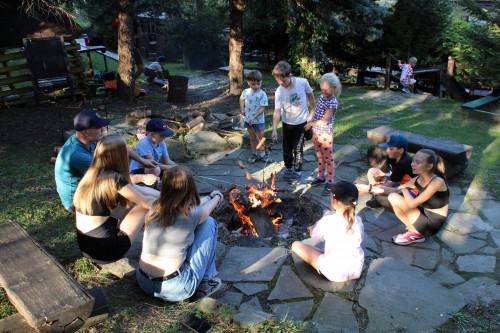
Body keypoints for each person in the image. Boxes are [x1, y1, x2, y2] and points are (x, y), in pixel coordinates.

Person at [136, 166, 223, 302]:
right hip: (175, 288)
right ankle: (206, 281)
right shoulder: (192, 214)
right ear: (190, 188)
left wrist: (209, 196)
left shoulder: (153, 207)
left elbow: (197, 204)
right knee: (209, 223)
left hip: (143, 281)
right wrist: (217, 197)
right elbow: (206, 209)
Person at [73, 134, 159, 263]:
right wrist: (173, 202)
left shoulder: (93, 173)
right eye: (126, 149)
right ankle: (160, 241)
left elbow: (137, 190)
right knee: (142, 205)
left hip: (87, 247)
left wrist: (165, 195)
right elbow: (146, 202)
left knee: (138, 195)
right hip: (106, 250)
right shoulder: (114, 179)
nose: (129, 151)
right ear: (119, 155)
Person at [55, 109, 158, 213]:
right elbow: (110, 179)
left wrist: (143, 161)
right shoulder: (77, 155)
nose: (103, 130)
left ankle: (161, 198)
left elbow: (123, 148)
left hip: (95, 184)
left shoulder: (87, 139)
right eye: (99, 127)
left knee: (133, 190)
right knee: (134, 200)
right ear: (85, 132)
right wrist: (142, 178)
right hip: (78, 201)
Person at [291, 180, 364, 282]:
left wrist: (313, 228)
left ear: (336, 201)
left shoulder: (328, 220)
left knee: (296, 245)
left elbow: (315, 237)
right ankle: (325, 255)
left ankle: (324, 259)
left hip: (335, 272)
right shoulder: (358, 220)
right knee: (335, 249)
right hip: (356, 268)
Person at [388, 149, 450, 245]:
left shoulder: (437, 182)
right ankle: (414, 231)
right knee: (392, 197)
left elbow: (412, 204)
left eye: (418, 162)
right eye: (413, 160)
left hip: (431, 225)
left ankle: (416, 233)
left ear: (430, 166)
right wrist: (370, 188)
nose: (412, 164)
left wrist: (404, 191)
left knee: (394, 197)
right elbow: (396, 189)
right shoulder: (418, 178)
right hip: (425, 213)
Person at [272, 61, 315, 184]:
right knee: (287, 147)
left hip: (301, 122)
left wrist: (312, 113)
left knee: (297, 148)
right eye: (279, 82)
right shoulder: (279, 91)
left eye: (283, 82)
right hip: (287, 124)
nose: (282, 84)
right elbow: (277, 111)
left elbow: (311, 98)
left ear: (290, 75)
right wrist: (274, 129)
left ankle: (297, 170)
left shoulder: (302, 83)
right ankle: (288, 168)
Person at [356, 134, 417, 210]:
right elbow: (379, 173)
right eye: (388, 148)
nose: (387, 150)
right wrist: (370, 186)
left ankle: (379, 199)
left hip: (407, 189)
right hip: (396, 182)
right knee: (371, 171)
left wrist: (370, 188)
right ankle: (377, 195)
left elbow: (390, 184)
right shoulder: (392, 156)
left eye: (391, 149)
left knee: (382, 196)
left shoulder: (403, 163)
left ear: (401, 150)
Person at [304, 73, 341, 196]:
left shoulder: (332, 103)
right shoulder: (321, 97)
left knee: (328, 158)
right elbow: (316, 110)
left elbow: (325, 121)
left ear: (334, 88)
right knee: (320, 157)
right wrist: (310, 117)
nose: (323, 92)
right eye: (322, 89)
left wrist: (311, 124)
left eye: (326, 89)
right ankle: (321, 177)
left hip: (325, 135)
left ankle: (330, 182)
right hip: (316, 133)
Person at [239, 70, 271, 163]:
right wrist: (242, 109)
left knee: (260, 139)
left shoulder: (262, 94)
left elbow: (262, 108)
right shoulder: (245, 92)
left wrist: (254, 117)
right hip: (248, 120)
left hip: (259, 120)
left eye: (258, 83)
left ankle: (262, 154)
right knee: (252, 138)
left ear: (261, 82)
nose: (256, 86)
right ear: (248, 82)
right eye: (253, 84)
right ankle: (254, 154)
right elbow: (241, 100)